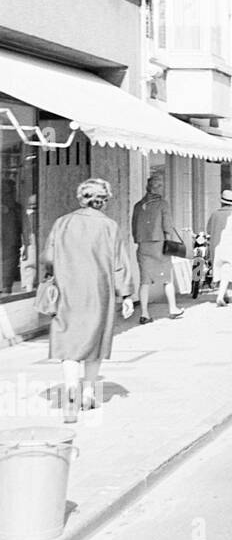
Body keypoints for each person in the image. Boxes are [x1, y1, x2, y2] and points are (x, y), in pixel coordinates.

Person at [42, 178, 136, 421]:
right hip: (98, 293)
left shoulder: (62, 223)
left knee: (69, 342)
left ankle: (71, 393)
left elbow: (49, 257)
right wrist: (126, 295)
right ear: (103, 201)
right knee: (95, 344)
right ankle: (88, 393)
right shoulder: (109, 226)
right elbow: (119, 265)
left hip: (67, 290)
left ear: (81, 198)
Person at [131, 172, 184, 323]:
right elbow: (167, 226)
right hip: (159, 244)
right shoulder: (163, 204)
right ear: (158, 188)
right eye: (161, 186)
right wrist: (169, 243)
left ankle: (145, 313)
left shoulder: (138, 206)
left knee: (145, 281)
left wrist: (139, 240)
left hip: (143, 245)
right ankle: (173, 308)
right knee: (167, 278)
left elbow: (134, 228)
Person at [206, 189, 232, 307]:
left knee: (220, 270)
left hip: (216, 247)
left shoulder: (214, 214)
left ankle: (225, 294)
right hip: (231, 247)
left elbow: (208, 229)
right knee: (227, 271)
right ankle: (220, 297)